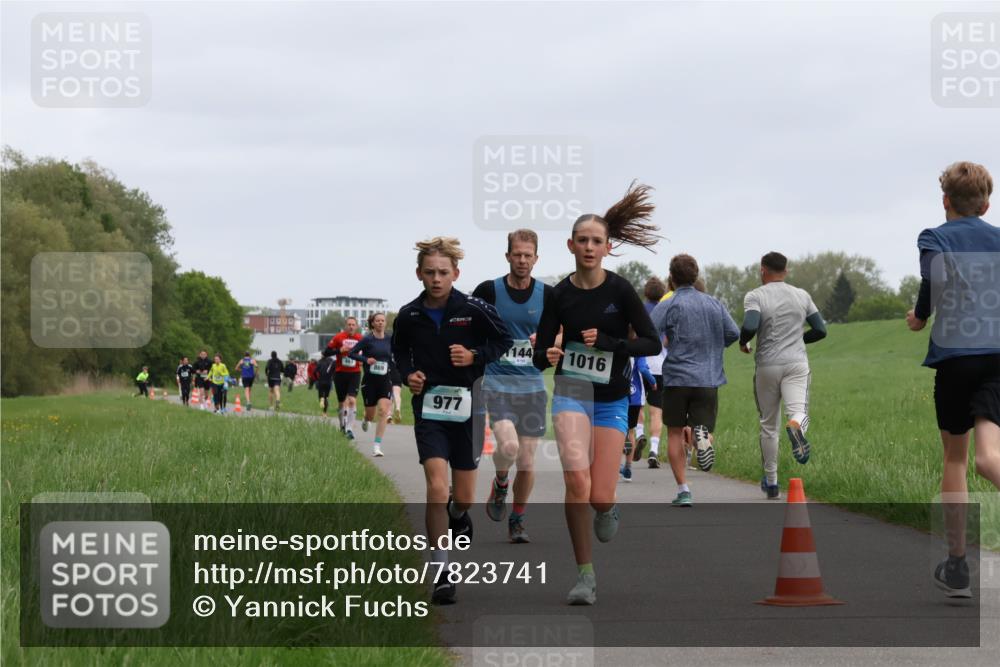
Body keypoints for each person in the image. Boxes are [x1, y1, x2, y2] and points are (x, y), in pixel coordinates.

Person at [533, 182, 661, 605]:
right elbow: (540, 353)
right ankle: (584, 575)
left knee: (600, 496)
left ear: (609, 247)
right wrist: (548, 352)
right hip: (571, 392)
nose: (589, 247)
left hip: (610, 398)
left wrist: (612, 343)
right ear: (571, 245)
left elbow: (651, 343)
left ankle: (609, 508)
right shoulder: (560, 294)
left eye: (597, 241)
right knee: (576, 481)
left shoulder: (620, 291)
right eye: (582, 240)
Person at [392, 236, 512, 605]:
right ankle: (442, 572)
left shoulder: (474, 308)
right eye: (429, 272)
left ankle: (459, 515)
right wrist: (409, 375)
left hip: (468, 409)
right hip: (429, 411)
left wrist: (475, 355)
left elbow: (504, 340)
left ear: (455, 273)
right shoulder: (409, 314)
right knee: (435, 488)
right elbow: (398, 352)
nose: (436, 278)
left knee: (461, 497)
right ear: (418, 274)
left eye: (443, 272)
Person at [905, 161, 999, 599]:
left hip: (956, 358)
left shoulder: (934, 236)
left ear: (946, 201)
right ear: (986, 202)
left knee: (957, 459)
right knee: (989, 456)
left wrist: (920, 316)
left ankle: (958, 563)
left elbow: (934, 279)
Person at [473, 228, 556, 544]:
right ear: (508, 255)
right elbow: (469, 325)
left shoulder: (547, 295)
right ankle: (500, 481)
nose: (522, 260)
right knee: (508, 447)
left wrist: (547, 340)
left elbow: (562, 334)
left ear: (536, 257)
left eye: (528, 255)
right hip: (497, 382)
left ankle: (518, 519)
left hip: (532, 386)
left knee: (527, 460)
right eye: (517, 254)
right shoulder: (489, 291)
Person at [649, 254, 739, 507]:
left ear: (671, 277)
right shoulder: (714, 304)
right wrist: (713, 346)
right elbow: (733, 332)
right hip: (708, 378)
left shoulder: (669, 303)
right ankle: (702, 439)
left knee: (675, 433)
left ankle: (683, 489)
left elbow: (650, 331)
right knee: (705, 428)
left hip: (677, 378)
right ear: (696, 275)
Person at [740, 252, 827, 499]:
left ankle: (772, 482)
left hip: (767, 365)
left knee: (769, 424)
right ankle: (796, 425)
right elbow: (820, 330)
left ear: (762, 270)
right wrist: (800, 339)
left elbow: (749, 325)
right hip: (797, 363)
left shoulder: (755, 295)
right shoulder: (802, 295)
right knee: (798, 411)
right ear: (786, 271)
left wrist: (743, 342)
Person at [349, 312, 395, 457]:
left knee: (383, 411)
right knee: (371, 414)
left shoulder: (390, 339)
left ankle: (377, 446)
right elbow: (351, 353)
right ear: (373, 323)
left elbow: (397, 354)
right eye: (378, 321)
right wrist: (365, 359)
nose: (381, 323)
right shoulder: (367, 339)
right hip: (369, 382)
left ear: (385, 323)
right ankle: (365, 419)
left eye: (383, 321)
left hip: (385, 380)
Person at [635, 276, 668, 468]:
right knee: (657, 412)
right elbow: (668, 339)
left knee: (638, 406)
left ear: (646, 292)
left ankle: (639, 434)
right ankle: (654, 450)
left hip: (641, 361)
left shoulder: (639, 309)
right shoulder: (665, 310)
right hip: (660, 364)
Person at [622, 349, 656, 483]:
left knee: (616, 428)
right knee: (631, 430)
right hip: (635, 395)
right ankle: (628, 468)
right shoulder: (639, 346)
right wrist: (653, 381)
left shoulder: (616, 342)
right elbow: (642, 368)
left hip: (617, 393)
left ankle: (621, 443)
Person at [327, 318, 364, 439]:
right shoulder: (338, 337)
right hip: (340, 373)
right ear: (345, 326)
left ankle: (349, 429)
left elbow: (368, 352)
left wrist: (364, 360)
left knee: (352, 400)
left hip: (355, 373)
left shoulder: (360, 339)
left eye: (353, 325)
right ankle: (342, 425)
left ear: (357, 326)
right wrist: (339, 350)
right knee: (342, 403)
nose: (351, 327)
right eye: (349, 325)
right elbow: (326, 351)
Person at [314, 349, 337, 418]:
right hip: (329, 381)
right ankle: (325, 413)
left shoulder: (319, 362)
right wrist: (333, 378)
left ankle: (321, 399)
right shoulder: (332, 361)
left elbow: (314, 372)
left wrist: (316, 379)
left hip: (321, 381)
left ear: (322, 355)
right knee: (326, 397)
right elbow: (335, 371)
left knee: (321, 396)